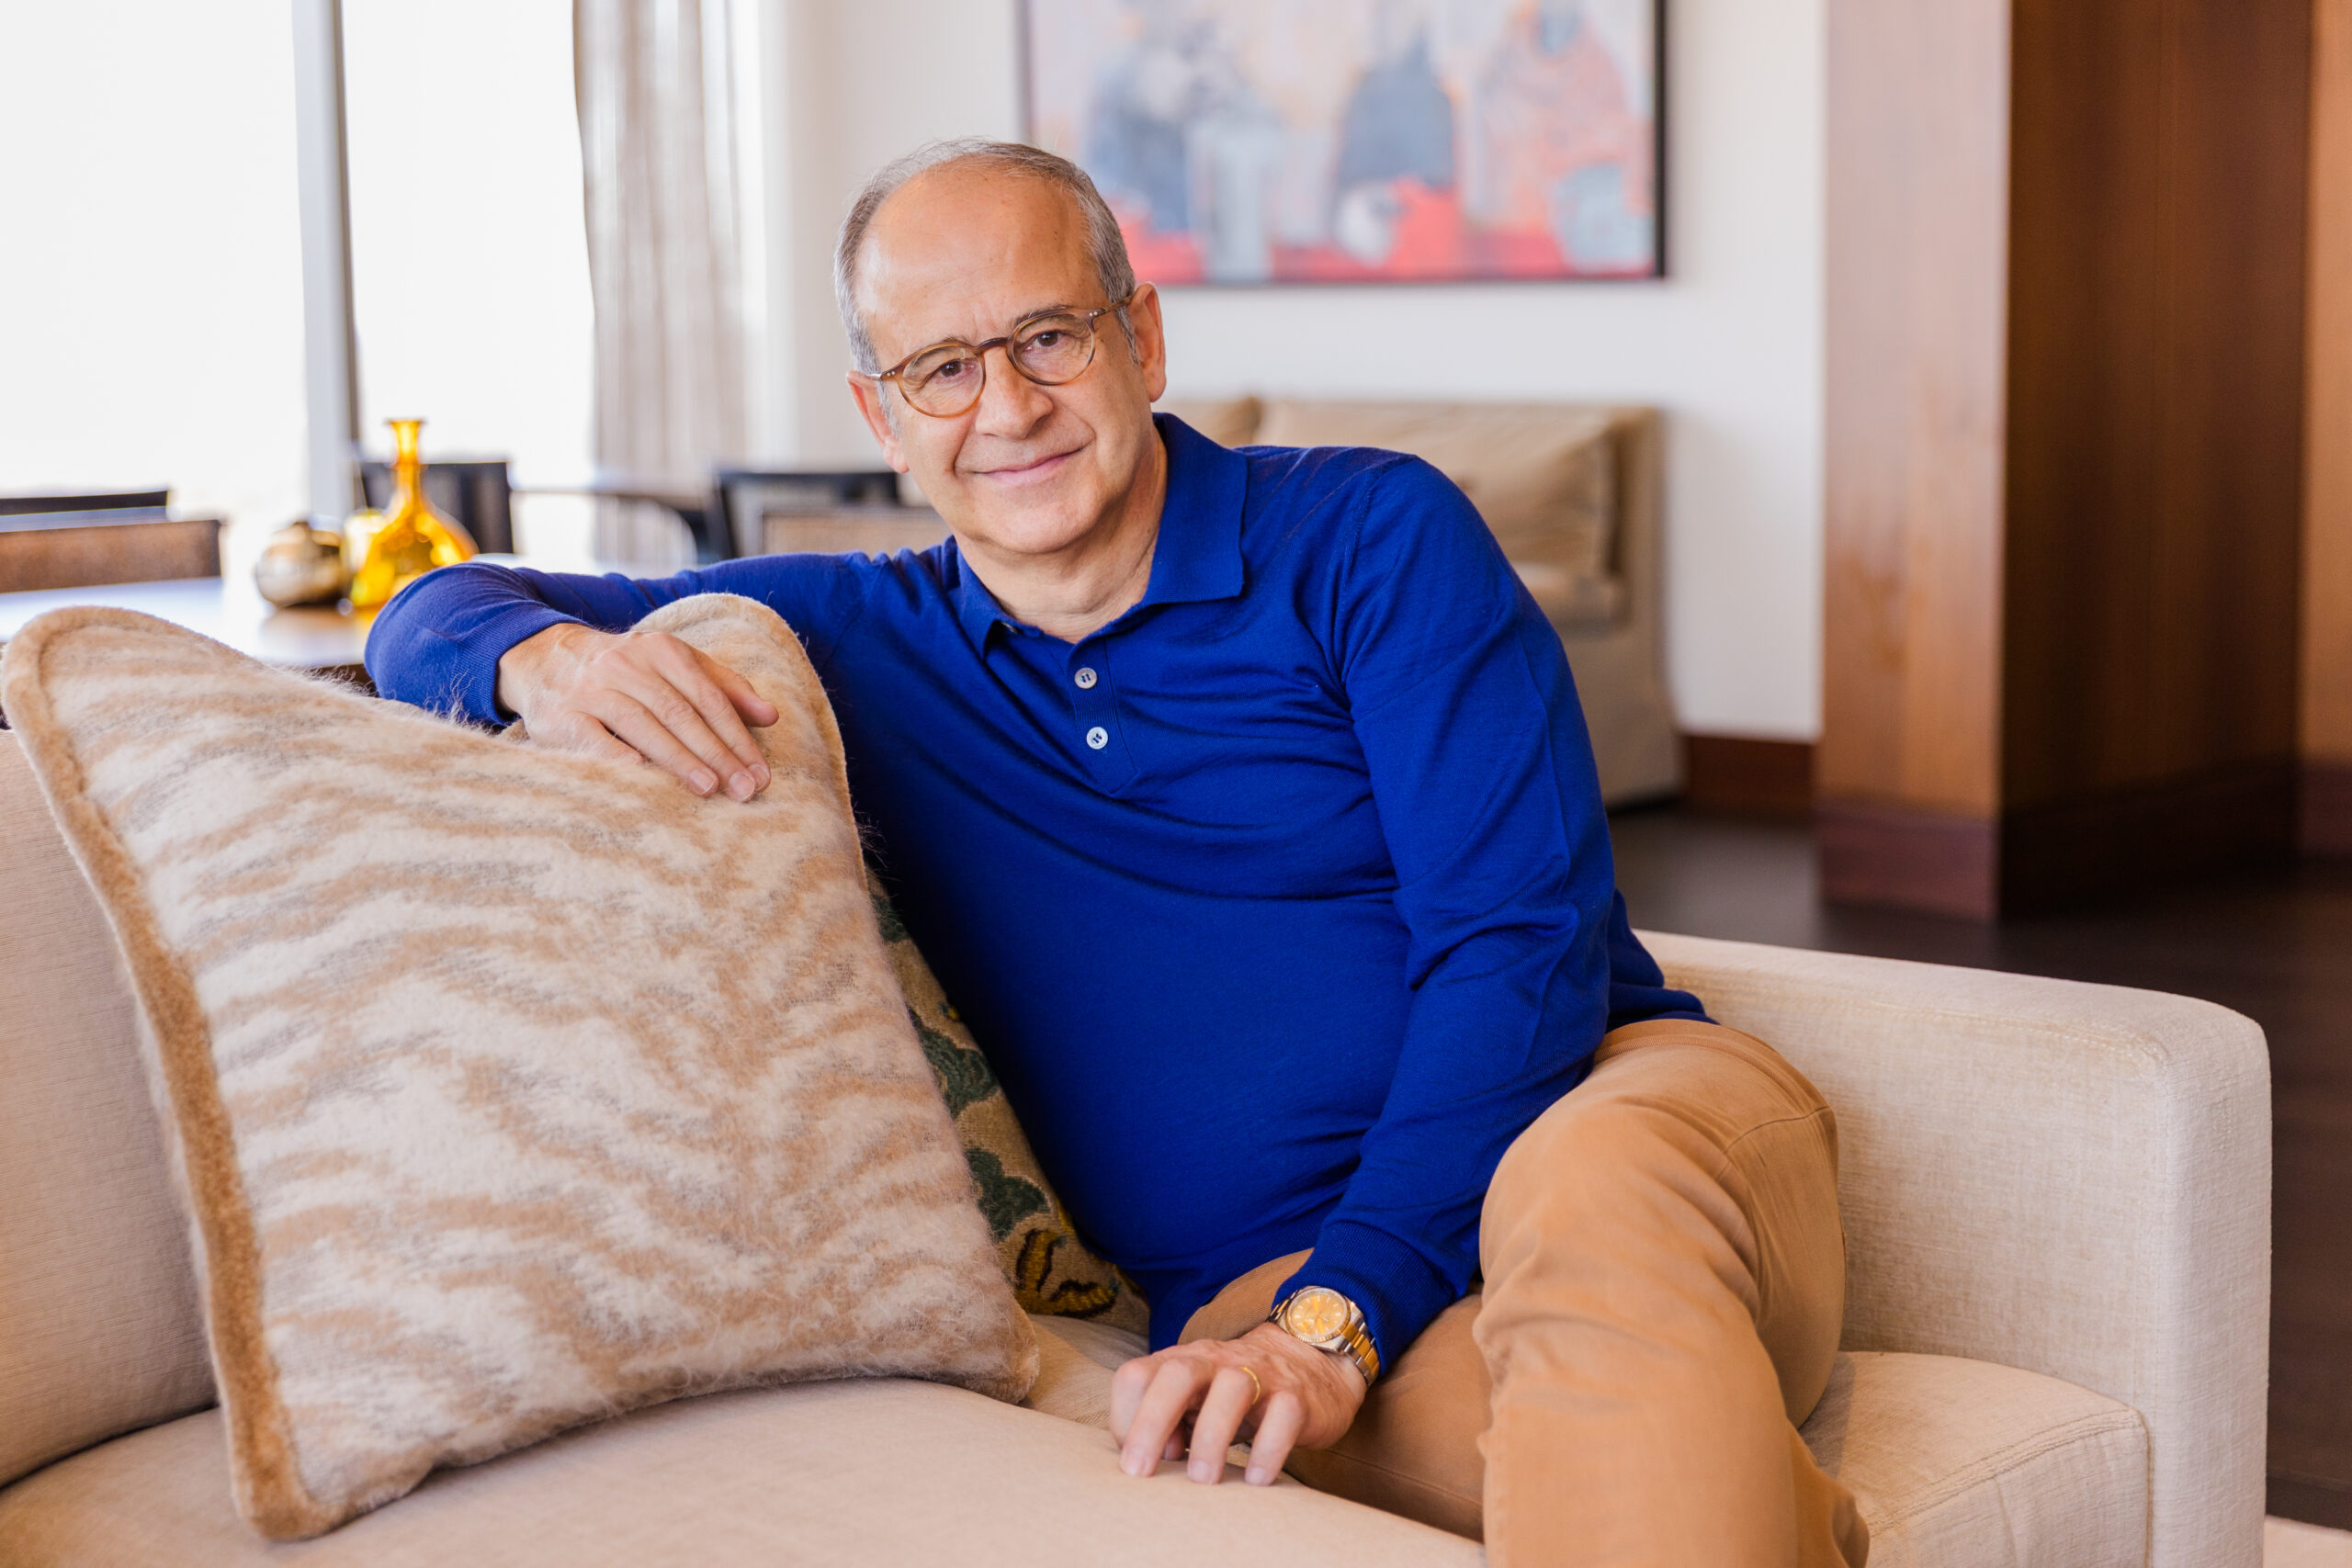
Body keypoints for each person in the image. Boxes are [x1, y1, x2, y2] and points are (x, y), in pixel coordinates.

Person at [365, 137, 1868, 1568]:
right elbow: (427, 610)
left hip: (1619, 1129)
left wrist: (1340, 1317)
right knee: (1606, 1469)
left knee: (1585, 1199)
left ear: (1142, 338)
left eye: (1047, 338)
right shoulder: (849, 634)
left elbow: (1518, 950)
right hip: (1264, 1293)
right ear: (880, 417)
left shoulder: (1369, 538)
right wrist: (545, 661)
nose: (1003, 406)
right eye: (940, 369)